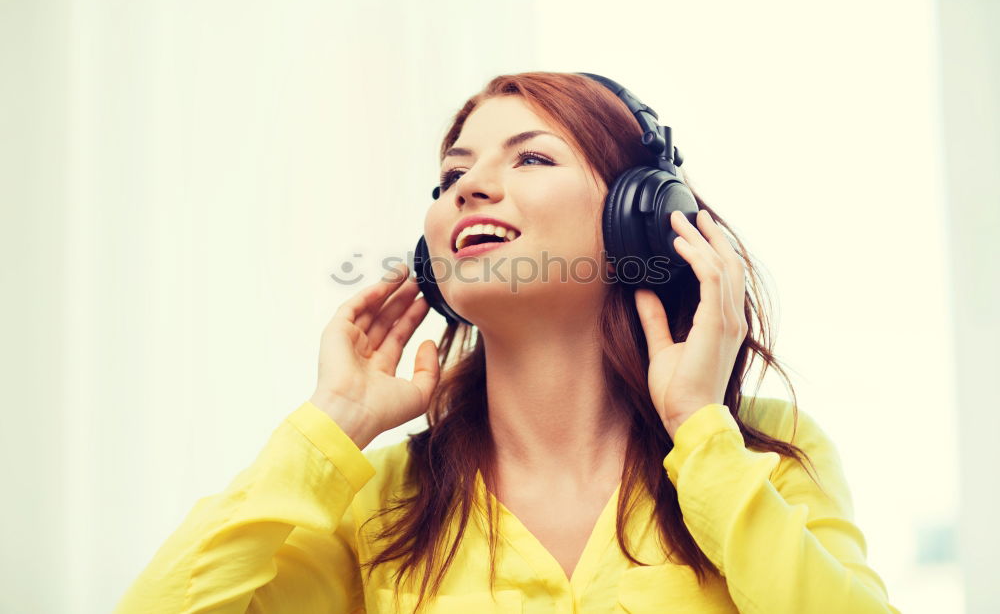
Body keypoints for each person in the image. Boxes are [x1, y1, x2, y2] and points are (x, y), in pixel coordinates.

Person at [114, 72, 900, 613]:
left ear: (640, 218)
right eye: (452, 173)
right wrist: (333, 422)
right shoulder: (377, 500)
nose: (469, 185)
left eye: (530, 157)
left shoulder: (767, 453)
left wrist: (701, 432)